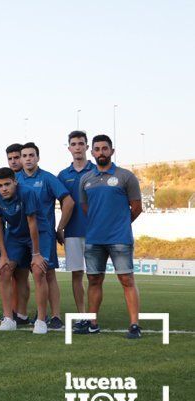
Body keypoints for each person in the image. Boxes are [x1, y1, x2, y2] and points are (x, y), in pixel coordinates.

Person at [76, 135, 143, 339]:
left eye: (105, 148)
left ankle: (134, 325)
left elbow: (137, 207)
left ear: (112, 151)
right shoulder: (85, 179)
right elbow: (87, 208)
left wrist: (120, 223)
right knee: (94, 280)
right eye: (97, 149)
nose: (101, 152)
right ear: (92, 152)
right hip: (95, 239)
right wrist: (101, 224)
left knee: (126, 279)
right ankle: (92, 323)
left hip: (120, 238)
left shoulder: (126, 176)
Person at [17, 142, 74, 330]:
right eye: (24, 156)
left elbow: (68, 201)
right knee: (24, 274)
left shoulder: (48, 178)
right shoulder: (15, 179)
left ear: (38, 157)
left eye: (31, 155)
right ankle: (35, 313)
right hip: (20, 235)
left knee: (47, 274)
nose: (27, 159)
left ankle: (56, 316)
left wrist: (60, 228)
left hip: (43, 234)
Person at [0, 167, 48, 333]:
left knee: (38, 270)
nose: (4, 189)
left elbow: (32, 223)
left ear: (15, 181)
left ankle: (41, 321)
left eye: (7, 184)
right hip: (15, 235)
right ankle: (9, 319)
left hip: (38, 233)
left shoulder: (27, 193)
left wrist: (36, 254)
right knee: (4, 270)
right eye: (0, 185)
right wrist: (3, 255)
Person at [58, 131, 95, 314]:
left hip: (95, 232)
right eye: (74, 144)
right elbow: (63, 204)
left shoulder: (97, 171)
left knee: (94, 276)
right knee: (77, 274)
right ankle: (82, 315)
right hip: (72, 232)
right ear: (69, 148)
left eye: (81, 143)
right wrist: (60, 227)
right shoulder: (63, 175)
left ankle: (92, 315)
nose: (78, 147)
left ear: (87, 147)